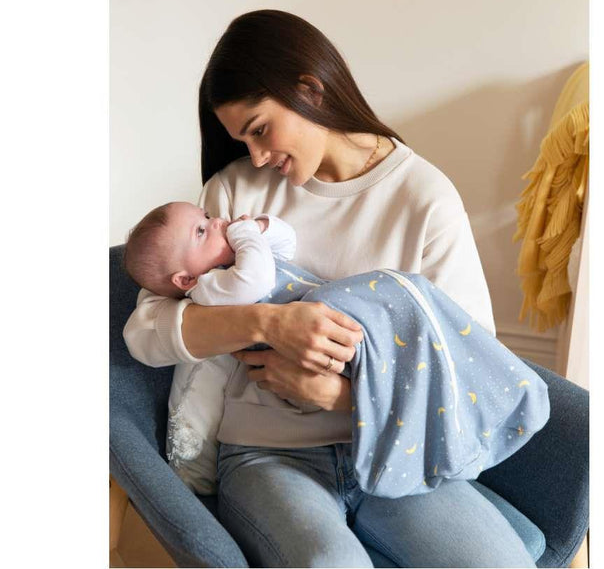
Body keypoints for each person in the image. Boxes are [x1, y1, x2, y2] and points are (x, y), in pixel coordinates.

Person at [123, 9, 540, 567]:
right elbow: (146, 333)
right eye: (242, 140)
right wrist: (270, 323)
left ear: (309, 90)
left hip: (393, 449)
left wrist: (338, 397)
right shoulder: (233, 194)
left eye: (260, 129)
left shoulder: (424, 199)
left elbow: (469, 369)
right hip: (269, 455)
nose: (256, 156)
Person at [123, 201, 550, 500]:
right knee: (393, 290)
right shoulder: (211, 287)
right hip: (320, 333)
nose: (217, 221)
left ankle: (490, 400)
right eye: (202, 230)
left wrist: (263, 227)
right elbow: (256, 280)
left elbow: (285, 246)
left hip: (332, 347)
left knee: (409, 299)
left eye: (207, 216)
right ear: (184, 280)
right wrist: (247, 236)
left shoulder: (428, 201)